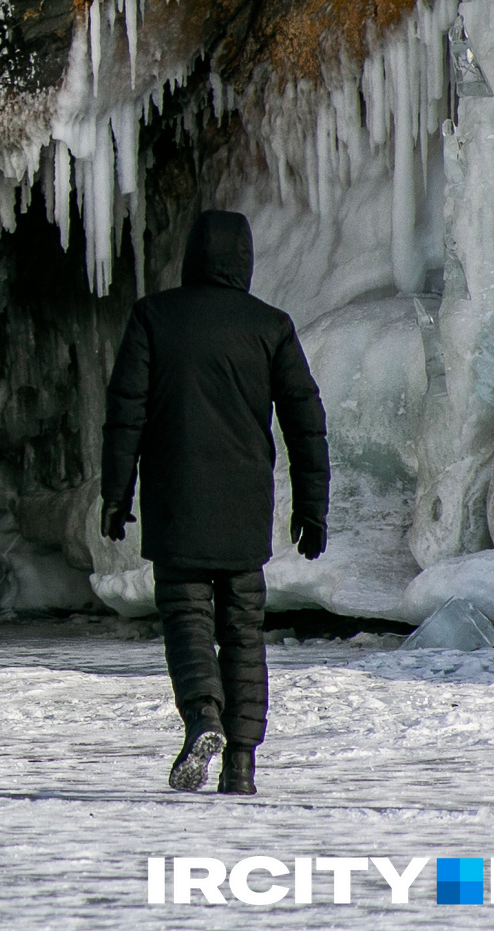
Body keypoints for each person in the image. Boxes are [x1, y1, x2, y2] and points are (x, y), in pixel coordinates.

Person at [102, 210, 328, 797]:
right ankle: (243, 764)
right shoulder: (269, 325)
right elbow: (305, 421)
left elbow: (125, 413)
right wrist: (312, 507)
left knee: (187, 621)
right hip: (244, 507)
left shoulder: (155, 316)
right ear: (245, 261)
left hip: (177, 504)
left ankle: (203, 718)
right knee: (244, 631)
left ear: (192, 256)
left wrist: (116, 493)